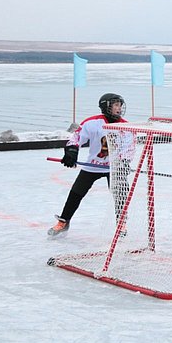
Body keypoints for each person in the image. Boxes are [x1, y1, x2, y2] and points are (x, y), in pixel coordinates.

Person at [48, 93, 130, 237]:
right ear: (106, 106)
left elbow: (128, 147)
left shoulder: (126, 126)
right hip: (93, 165)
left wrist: (124, 161)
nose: (119, 108)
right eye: (116, 104)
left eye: (120, 105)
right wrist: (71, 152)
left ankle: (121, 223)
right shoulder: (92, 123)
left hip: (115, 167)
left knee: (121, 195)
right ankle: (64, 221)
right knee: (76, 193)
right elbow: (76, 138)